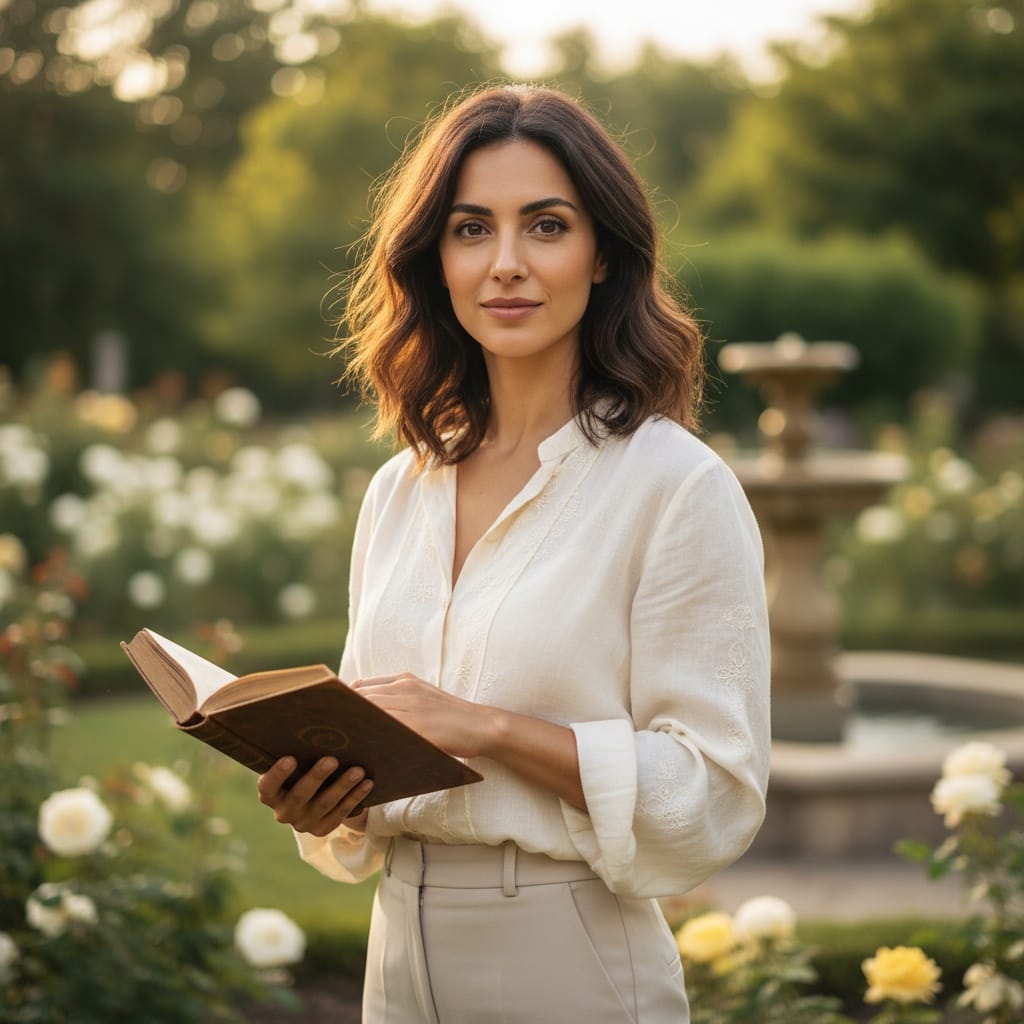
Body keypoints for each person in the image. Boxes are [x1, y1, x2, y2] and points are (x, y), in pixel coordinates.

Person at [257, 83, 771, 1023]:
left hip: (567, 953)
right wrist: (327, 797)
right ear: (435, 260)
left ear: (603, 254)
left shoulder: (675, 487)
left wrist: (485, 729)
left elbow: (713, 791)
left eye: (544, 226)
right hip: (394, 953)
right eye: (469, 229)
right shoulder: (401, 491)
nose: (505, 265)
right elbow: (388, 755)